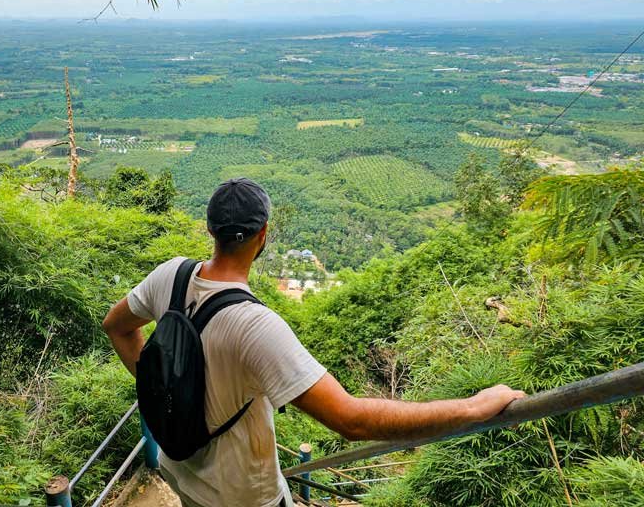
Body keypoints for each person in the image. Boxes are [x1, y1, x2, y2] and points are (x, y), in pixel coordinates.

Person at [103, 178, 525, 507]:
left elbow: (116, 326)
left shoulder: (170, 275)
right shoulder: (255, 326)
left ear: (210, 229)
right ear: (263, 234)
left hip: (178, 467)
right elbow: (351, 420)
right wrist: (474, 407)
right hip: (242, 496)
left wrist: (159, 387)